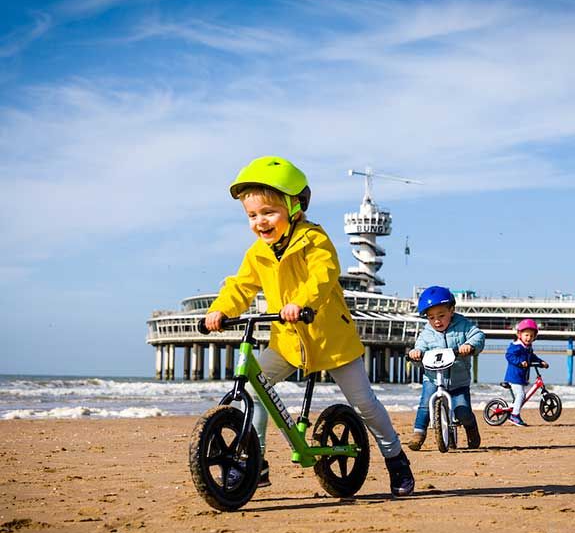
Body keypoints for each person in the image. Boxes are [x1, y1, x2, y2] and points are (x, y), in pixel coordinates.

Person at [204, 156, 415, 498]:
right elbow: (239, 286)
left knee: (364, 405)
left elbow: (323, 275)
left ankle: (395, 457)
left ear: (294, 206)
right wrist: (218, 311)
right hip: (288, 342)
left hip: (331, 340)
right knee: (256, 388)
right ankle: (253, 463)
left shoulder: (314, 240)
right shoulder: (258, 253)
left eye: (268, 212)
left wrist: (302, 303)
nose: (260, 222)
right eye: (252, 216)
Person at [407, 286, 485, 451]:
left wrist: (469, 345)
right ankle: (418, 433)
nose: (437, 321)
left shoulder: (462, 325)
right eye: (431, 317)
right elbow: (419, 348)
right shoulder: (427, 333)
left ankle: (471, 428)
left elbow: (478, 336)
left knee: (462, 411)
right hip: (433, 378)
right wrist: (416, 353)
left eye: (441, 316)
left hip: (458, 381)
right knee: (425, 405)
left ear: (452, 310)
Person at [504, 319, 549, 426]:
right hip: (514, 377)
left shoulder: (528, 348)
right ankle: (514, 416)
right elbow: (509, 356)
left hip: (522, 377)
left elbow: (532, 357)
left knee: (523, 395)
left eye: (531, 336)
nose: (529, 338)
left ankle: (514, 409)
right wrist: (520, 362)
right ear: (519, 334)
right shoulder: (516, 346)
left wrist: (540, 362)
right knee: (521, 394)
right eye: (526, 335)